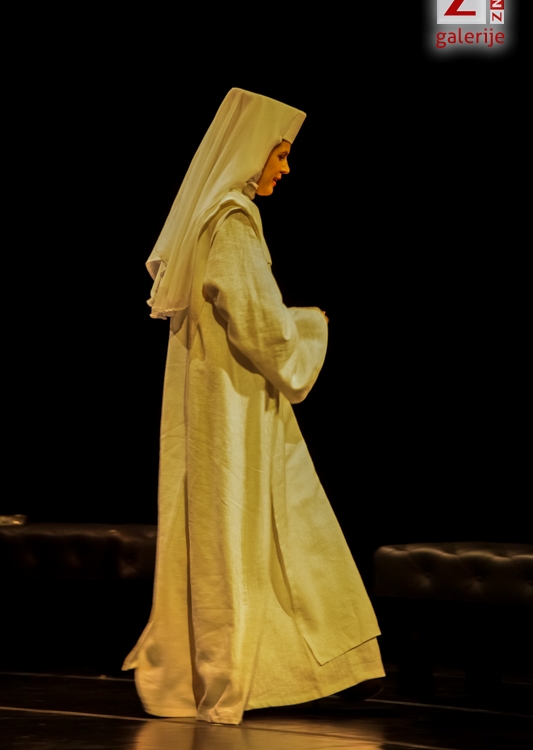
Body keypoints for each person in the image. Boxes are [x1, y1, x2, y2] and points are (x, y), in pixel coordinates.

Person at [123, 88, 384, 725]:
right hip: (234, 406)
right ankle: (305, 668)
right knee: (264, 525)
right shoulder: (232, 219)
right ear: (252, 150)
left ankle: (318, 669)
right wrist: (312, 328)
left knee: (257, 528)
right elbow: (258, 323)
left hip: (221, 400)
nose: (286, 168)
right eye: (281, 154)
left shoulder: (209, 218)